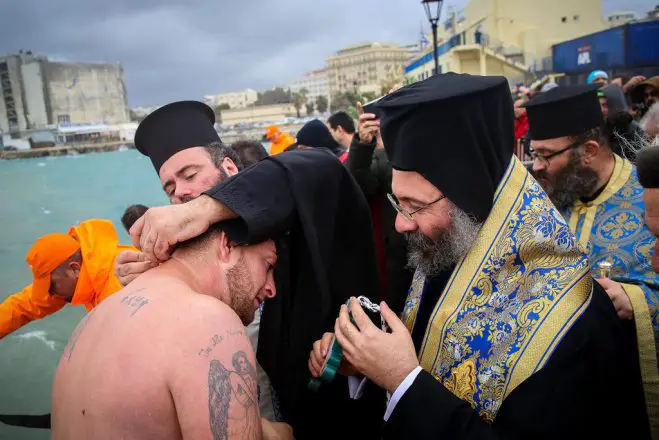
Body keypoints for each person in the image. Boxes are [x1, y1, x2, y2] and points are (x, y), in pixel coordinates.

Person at [312, 73, 651, 439]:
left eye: (417, 206)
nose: (400, 224)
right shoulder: (449, 252)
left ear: (471, 203)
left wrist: (403, 380)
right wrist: (368, 363)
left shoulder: (572, 315)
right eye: (399, 202)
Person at [127, 102, 385, 439]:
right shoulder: (191, 253)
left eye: (190, 175)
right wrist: (153, 281)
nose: (182, 192)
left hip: (331, 408)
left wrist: (204, 208)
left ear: (231, 168)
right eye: (170, 189)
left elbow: (321, 167)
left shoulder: (285, 208)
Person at [51, 222, 293, 439]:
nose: (272, 288)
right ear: (226, 246)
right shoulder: (207, 321)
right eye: (268, 264)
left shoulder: (90, 321)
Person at [525, 84, 659, 425]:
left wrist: (637, 301)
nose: (536, 166)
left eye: (546, 155)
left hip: (631, 396)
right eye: (534, 153)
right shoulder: (547, 198)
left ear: (589, 150)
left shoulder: (649, 197)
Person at [0, 219, 135, 339]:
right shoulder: (92, 266)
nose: (51, 294)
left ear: (74, 269)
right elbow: (27, 304)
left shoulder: (120, 293)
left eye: (51, 286)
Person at [344, 102, 412, 314]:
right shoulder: (381, 157)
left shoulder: (427, 143)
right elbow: (359, 182)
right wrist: (363, 145)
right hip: (396, 251)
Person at [597, 84, 645, 159]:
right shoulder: (599, 129)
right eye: (599, 105)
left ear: (616, 105)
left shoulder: (634, 130)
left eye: (605, 105)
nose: (602, 110)